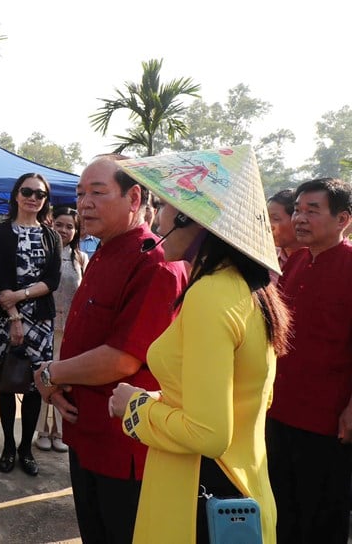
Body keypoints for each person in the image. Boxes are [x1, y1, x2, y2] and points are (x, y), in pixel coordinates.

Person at [107, 146, 291, 543]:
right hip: (241, 487)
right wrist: (163, 395)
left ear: (190, 217)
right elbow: (243, 396)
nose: (155, 218)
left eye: (161, 205)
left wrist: (135, 408)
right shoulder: (248, 289)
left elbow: (209, 434)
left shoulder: (210, 294)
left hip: (201, 498)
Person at [33, 155, 188, 544]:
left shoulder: (155, 261)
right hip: (85, 431)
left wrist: (51, 373)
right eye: (81, 193)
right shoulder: (103, 250)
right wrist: (54, 378)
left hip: (123, 445)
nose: (84, 203)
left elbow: (123, 358)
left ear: (134, 197)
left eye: (98, 193)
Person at [267, 177, 352, 544]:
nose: (300, 218)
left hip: (327, 422)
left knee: (321, 520)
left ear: (343, 218)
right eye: (297, 210)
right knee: (281, 512)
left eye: (312, 211)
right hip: (278, 410)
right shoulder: (297, 261)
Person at [0, 173, 61, 477]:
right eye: (27, 191)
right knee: (8, 381)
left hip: (41, 320)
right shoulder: (1, 231)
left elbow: (52, 280)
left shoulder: (51, 235)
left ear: (45, 200)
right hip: (9, 317)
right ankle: (7, 446)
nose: (33, 197)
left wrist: (22, 294)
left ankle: (26, 449)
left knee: (35, 386)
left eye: (40, 194)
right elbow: (1, 277)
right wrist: (15, 314)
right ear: (16, 195)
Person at [35, 206, 86, 453]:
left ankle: (60, 431)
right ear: (51, 224)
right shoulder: (44, 254)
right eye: (59, 225)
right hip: (46, 326)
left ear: (76, 231)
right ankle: (43, 430)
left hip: (71, 330)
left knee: (65, 379)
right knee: (47, 376)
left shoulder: (81, 259)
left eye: (69, 226)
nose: (64, 230)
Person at [266, 189, 298, 279]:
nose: (268, 225)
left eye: (275, 219)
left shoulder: (314, 261)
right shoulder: (267, 258)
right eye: (265, 218)